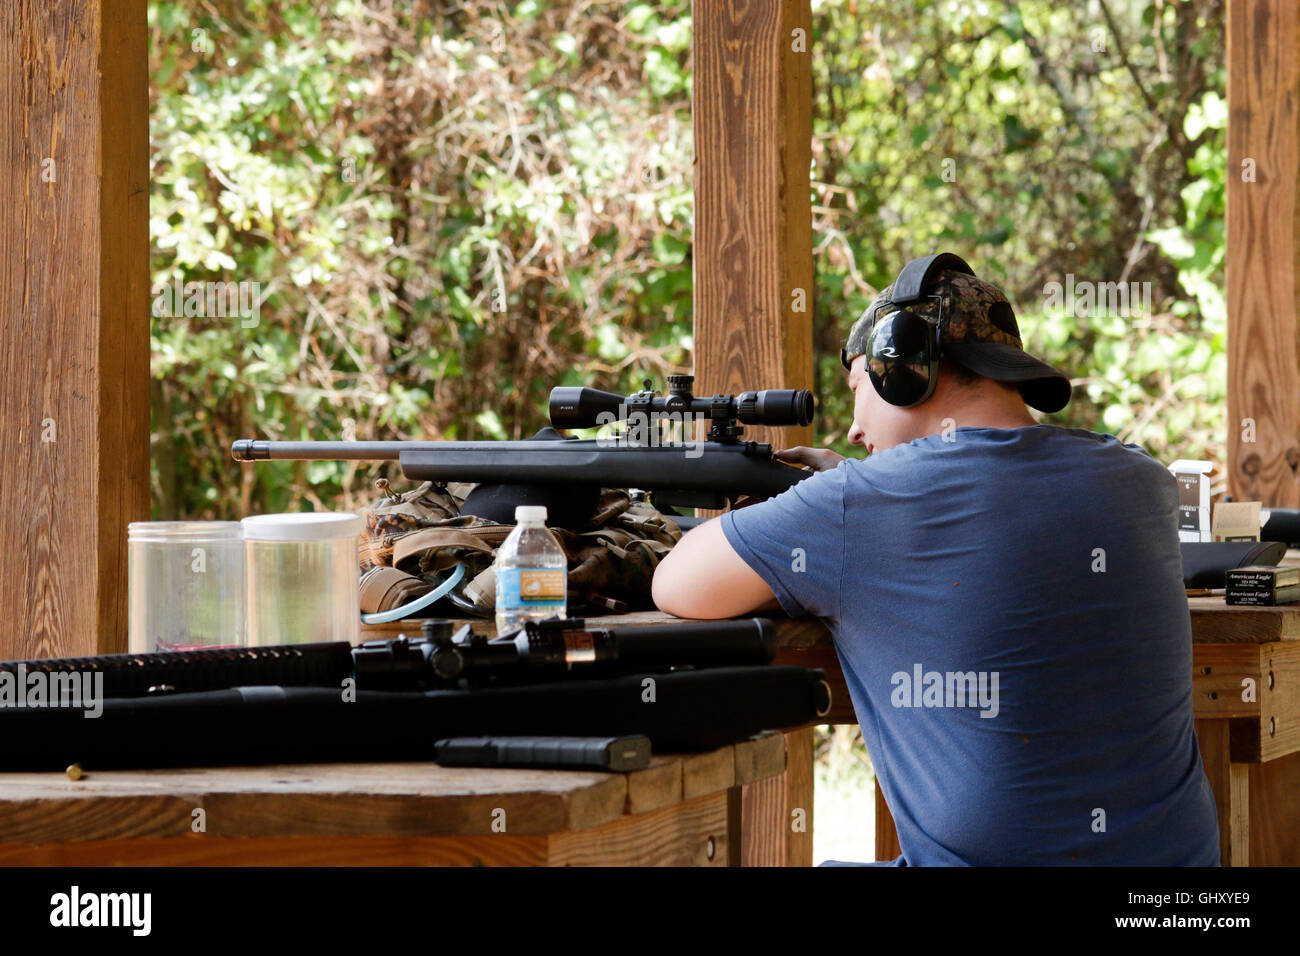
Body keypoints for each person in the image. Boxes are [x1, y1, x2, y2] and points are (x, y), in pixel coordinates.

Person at [651, 253, 1220, 866]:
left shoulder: (860, 506)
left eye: (858, 388)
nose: (854, 432)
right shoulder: (1142, 479)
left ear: (904, 369)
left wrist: (829, 504)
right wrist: (845, 500)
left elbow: (678, 583)